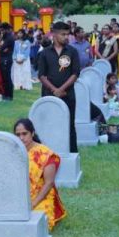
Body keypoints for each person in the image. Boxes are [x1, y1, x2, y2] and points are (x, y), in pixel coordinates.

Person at [13, 118, 67, 231]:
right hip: (20, 195)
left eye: (24, 133)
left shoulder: (45, 153)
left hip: (41, 196)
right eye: (18, 135)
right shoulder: (13, 152)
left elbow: (49, 183)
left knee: (37, 225)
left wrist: (33, 204)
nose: (21, 138)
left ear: (32, 133)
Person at [36, 21, 80, 153]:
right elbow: (41, 75)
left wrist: (61, 89)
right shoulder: (45, 53)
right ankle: (49, 153)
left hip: (68, 94)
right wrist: (54, 90)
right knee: (49, 124)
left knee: (69, 125)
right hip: (49, 95)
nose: (66, 37)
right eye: (63, 34)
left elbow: (75, 74)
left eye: (67, 34)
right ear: (54, 35)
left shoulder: (72, 51)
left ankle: (72, 154)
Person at [0, 22, 16, 101]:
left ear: (6, 29)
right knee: (4, 77)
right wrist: (1, 48)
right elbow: (2, 48)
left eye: (2, 30)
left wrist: (0, 48)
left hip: (7, 59)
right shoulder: (4, 37)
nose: (1, 32)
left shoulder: (9, 38)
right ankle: (5, 94)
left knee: (7, 77)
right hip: (3, 58)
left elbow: (1, 48)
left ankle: (9, 95)